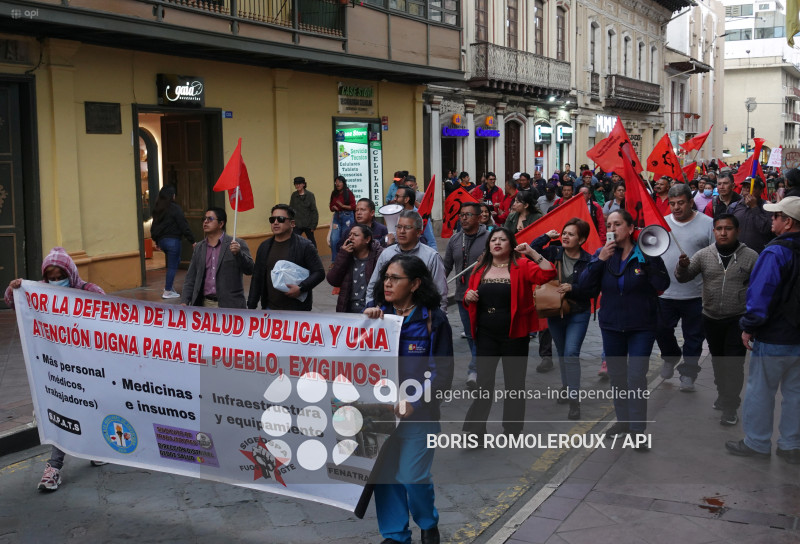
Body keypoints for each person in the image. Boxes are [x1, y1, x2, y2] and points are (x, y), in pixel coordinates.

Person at [364, 255, 454, 544]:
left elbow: (442, 374)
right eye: (386, 277)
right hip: (380, 414)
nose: (387, 283)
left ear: (415, 284)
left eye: (395, 278)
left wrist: (414, 403)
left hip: (420, 415)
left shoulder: (433, 319)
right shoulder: (377, 316)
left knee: (412, 476)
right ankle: (395, 535)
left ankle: (428, 523)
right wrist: (366, 323)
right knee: (385, 477)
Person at [5, 247, 107, 491]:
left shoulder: (87, 291)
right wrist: (13, 288)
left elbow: (108, 312)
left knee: (88, 407)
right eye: (51, 277)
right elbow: (13, 302)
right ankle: (54, 467)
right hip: (57, 369)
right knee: (63, 410)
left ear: (70, 273)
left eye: (60, 276)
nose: (55, 280)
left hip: (86, 365)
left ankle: (93, 448)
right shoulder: (38, 291)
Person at [577, 210, 670, 448]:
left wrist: (649, 260)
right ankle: (623, 421)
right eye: (609, 225)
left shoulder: (645, 253)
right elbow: (584, 286)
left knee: (636, 376)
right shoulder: (602, 254)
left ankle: (638, 430)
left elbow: (662, 283)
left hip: (642, 326)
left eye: (617, 224)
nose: (612, 229)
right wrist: (600, 261)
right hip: (611, 325)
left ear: (630, 228)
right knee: (617, 376)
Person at [726, 196, 800, 463]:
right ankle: (791, 445)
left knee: (761, 390)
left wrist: (748, 327)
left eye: (776, 215)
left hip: (774, 337)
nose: (772, 219)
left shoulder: (775, 252)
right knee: (796, 394)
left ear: (787, 222)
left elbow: (760, 296)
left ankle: (757, 442)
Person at [462, 228, 555, 438]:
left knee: (514, 383)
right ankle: (476, 432)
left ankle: (512, 429)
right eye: (493, 239)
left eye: (502, 239)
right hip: (486, 334)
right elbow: (470, 294)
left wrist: (532, 252)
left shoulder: (522, 265)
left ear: (511, 244)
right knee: (484, 383)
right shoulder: (480, 267)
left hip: (515, 334)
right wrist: (468, 296)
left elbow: (549, 273)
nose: (497, 242)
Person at [675, 213, 757, 425]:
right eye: (719, 229)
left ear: (737, 231)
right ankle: (722, 395)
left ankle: (731, 406)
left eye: (728, 228)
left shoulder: (751, 257)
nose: (723, 233)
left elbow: (759, 289)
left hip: (737, 319)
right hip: (711, 318)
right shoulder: (704, 255)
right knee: (719, 361)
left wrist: (753, 320)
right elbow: (684, 277)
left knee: (734, 364)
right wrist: (682, 266)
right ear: (714, 231)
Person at [531, 219, 595, 420]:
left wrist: (573, 288)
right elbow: (532, 251)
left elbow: (592, 290)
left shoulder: (588, 260)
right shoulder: (554, 252)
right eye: (564, 233)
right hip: (554, 311)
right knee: (561, 352)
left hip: (578, 312)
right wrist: (546, 237)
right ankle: (567, 387)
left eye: (571, 234)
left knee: (571, 353)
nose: (566, 237)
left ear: (581, 240)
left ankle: (574, 400)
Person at [656, 183, 714, 391]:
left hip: (696, 294)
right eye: (672, 204)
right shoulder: (661, 224)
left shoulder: (708, 224)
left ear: (691, 202)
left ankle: (688, 373)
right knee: (661, 330)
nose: (676, 208)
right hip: (665, 293)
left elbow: (714, 257)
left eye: (681, 203)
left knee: (694, 337)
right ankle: (670, 356)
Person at [444, 202, 490, 390]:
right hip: (463, 296)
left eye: (468, 215)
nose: (463, 218)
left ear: (479, 218)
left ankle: (475, 369)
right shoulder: (455, 240)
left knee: (482, 334)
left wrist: (489, 257)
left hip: (485, 295)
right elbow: (446, 267)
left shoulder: (490, 238)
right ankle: (478, 367)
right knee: (471, 334)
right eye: (461, 215)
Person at [247, 204, 325, 311]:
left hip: (297, 311)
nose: (275, 222)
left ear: (292, 223)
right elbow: (257, 278)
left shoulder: (305, 246)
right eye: (272, 219)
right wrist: (251, 306)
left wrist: (301, 288)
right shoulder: (264, 247)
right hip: (270, 309)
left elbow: (319, 273)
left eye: (281, 219)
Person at [368, 210, 448, 313]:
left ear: (418, 232)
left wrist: (439, 318)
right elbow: (373, 285)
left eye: (407, 227)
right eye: (399, 227)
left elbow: (440, 292)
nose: (402, 231)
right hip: (390, 314)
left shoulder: (431, 257)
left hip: (420, 316)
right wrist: (370, 308)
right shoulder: (387, 254)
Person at [181, 207, 254, 308]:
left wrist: (239, 253)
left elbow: (250, 269)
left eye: (210, 219)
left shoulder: (236, 244)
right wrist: (184, 301)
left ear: (221, 224)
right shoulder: (199, 247)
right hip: (205, 304)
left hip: (230, 305)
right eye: (204, 219)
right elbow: (191, 277)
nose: (205, 222)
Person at [149, 184, 195, 299]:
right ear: (172, 196)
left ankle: (169, 287)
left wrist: (157, 241)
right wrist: (192, 240)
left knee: (175, 261)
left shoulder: (158, 209)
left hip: (163, 241)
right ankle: (168, 291)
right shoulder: (175, 208)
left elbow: (153, 227)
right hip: (173, 241)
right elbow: (183, 225)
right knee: (172, 266)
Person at [327, 224, 383, 313]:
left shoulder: (379, 256)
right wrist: (342, 255)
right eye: (350, 235)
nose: (351, 238)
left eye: (356, 235)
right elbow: (333, 280)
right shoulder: (346, 255)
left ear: (367, 239)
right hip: (348, 310)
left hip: (371, 310)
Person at [731, 177, 774, 253]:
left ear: (761, 191)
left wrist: (754, 207)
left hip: (759, 254)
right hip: (737, 253)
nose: (747, 190)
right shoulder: (734, 207)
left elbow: (766, 229)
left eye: (751, 187)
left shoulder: (768, 208)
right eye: (745, 187)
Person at [394, 186, 437, 250]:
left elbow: (431, 241)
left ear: (406, 199)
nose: (394, 199)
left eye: (397, 196)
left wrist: (433, 255)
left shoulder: (421, 216)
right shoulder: (396, 215)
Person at [329, 175, 356, 262]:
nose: (337, 184)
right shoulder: (334, 193)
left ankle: (346, 260)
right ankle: (335, 261)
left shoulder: (348, 193)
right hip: (337, 217)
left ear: (343, 183)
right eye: (336, 182)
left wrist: (342, 206)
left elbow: (353, 206)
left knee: (346, 238)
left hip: (347, 217)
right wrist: (333, 208)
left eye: (339, 182)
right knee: (334, 239)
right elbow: (330, 206)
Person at [289, 176, 319, 247]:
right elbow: (290, 209)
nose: (297, 186)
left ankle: (314, 253)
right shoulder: (294, 195)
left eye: (299, 184)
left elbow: (314, 211)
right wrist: (291, 222)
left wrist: (313, 225)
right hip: (297, 224)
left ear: (303, 184)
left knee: (311, 242)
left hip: (308, 224)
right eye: (296, 184)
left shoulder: (310, 195)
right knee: (294, 241)